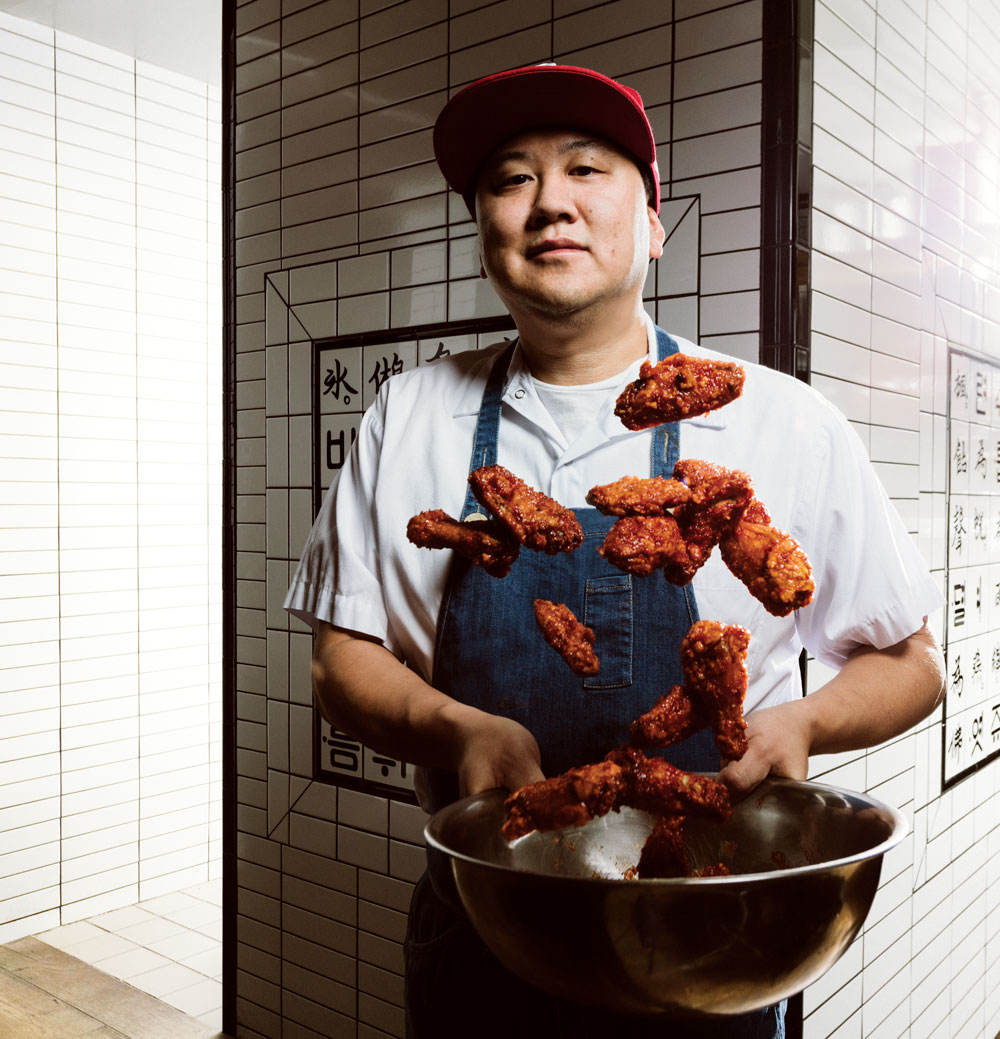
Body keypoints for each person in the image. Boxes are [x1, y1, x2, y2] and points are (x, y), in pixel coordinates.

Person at [285, 64, 945, 1039]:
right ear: (484, 233)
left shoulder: (782, 422)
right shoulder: (410, 413)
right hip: (486, 925)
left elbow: (911, 663)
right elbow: (342, 657)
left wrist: (797, 727)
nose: (548, 200)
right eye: (509, 180)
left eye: (586, 168)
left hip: (705, 931)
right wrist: (459, 731)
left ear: (653, 225)